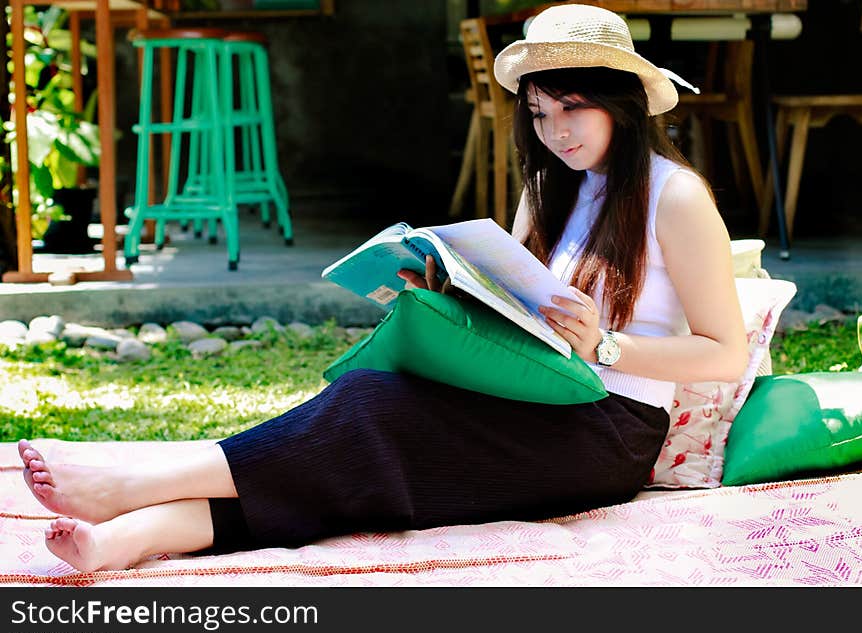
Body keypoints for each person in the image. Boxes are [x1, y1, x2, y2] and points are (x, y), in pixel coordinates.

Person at [18, 4, 747, 573]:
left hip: (606, 428)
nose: (556, 131)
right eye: (539, 113)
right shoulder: (550, 190)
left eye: (572, 107)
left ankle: (132, 483)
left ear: (619, 100)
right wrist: (449, 288)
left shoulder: (674, 197)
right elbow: (519, 308)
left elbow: (724, 352)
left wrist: (608, 342)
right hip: (531, 391)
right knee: (357, 449)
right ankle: (130, 538)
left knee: (370, 411)